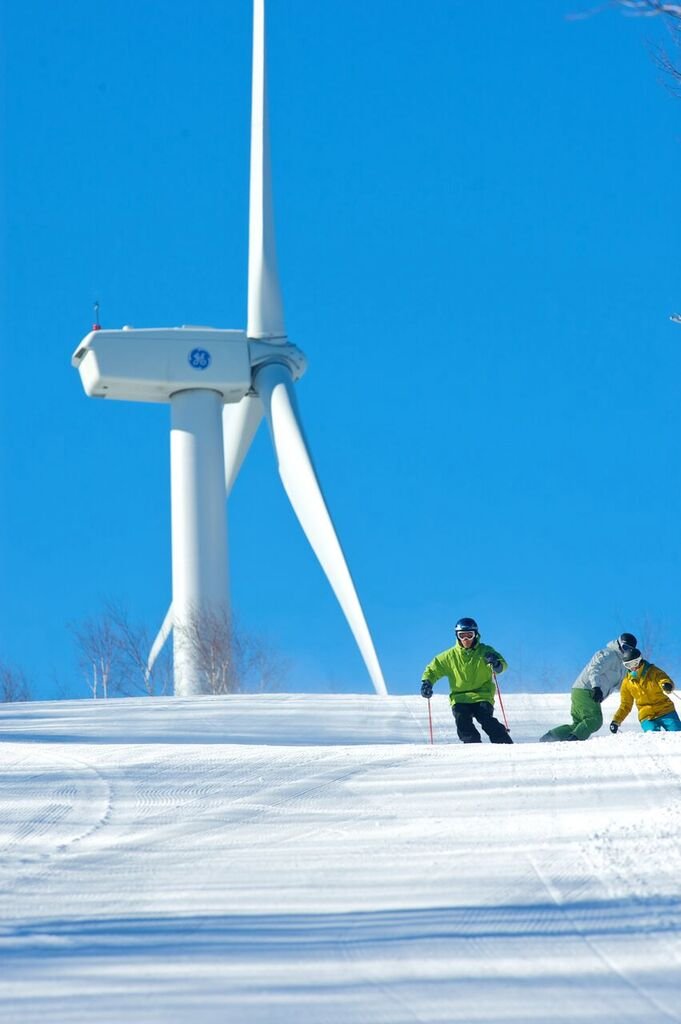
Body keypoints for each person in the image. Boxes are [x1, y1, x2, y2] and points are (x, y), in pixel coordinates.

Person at [420, 617, 512, 744]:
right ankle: (471, 743)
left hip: (482, 695)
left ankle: (503, 741)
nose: (466, 640)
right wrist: (427, 683)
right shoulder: (449, 656)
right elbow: (433, 669)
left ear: (476, 635)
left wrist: (496, 663)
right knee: (461, 719)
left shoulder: (485, 651)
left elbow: (502, 666)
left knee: (485, 719)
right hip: (459, 697)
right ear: (457, 636)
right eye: (462, 635)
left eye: (469, 635)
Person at [540, 633, 637, 743]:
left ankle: (550, 737)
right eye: (625, 648)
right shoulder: (608, 654)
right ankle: (574, 740)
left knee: (579, 724)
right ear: (619, 644)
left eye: (629, 650)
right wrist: (596, 687)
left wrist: (637, 692)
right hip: (586, 689)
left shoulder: (623, 665)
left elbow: (623, 685)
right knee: (594, 720)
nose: (626, 651)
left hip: (584, 691)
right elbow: (594, 668)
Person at [610, 650, 681, 734]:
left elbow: (663, 679)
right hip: (646, 716)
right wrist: (616, 721)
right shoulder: (627, 683)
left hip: (665, 710)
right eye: (628, 665)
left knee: (677, 733)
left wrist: (666, 685)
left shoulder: (653, 671)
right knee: (652, 734)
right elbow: (625, 705)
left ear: (639, 660)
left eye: (634, 663)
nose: (632, 667)